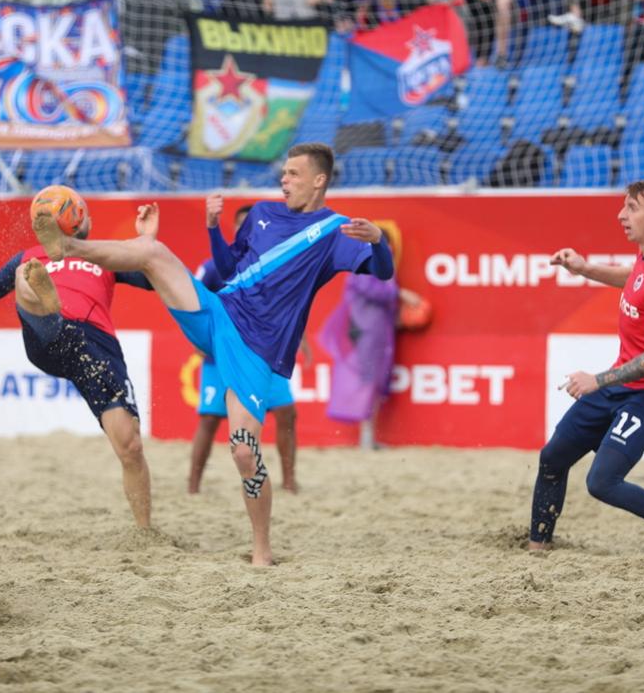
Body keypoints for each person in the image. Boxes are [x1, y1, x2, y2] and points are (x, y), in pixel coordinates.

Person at [31, 142, 393, 566]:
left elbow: (382, 271)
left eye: (293, 173)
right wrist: (212, 227)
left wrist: (379, 241)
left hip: (256, 349)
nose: (284, 179)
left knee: (244, 451)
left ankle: (261, 550)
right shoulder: (262, 213)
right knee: (152, 251)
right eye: (283, 172)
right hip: (219, 312)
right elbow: (227, 266)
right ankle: (68, 247)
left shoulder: (335, 230)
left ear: (319, 180)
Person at [0, 217, 154, 528]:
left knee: (131, 445)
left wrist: (146, 242)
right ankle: (43, 300)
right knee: (24, 276)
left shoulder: (101, 254)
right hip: (50, 334)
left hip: (96, 347)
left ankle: (144, 530)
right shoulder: (29, 256)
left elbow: (152, 280)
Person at [529, 179, 644, 549]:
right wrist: (583, 268)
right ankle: (537, 548)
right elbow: (634, 279)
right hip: (619, 384)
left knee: (602, 482)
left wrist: (597, 379)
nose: (621, 215)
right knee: (552, 457)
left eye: (631, 208)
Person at [189, 200, 304, 494]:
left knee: (287, 413)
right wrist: (198, 337)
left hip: (266, 354)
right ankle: (193, 486)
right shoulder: (213, 266)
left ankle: (289, 482)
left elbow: (289, 306)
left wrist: (298, 337)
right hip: (222, 355)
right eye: (242, 224)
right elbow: (191, 298)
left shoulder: (277, 264)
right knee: (209, 419)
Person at [319, 223, 422, 449]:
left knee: (373, 381)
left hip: (375, 330)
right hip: (365, 331)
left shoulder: (378, 262)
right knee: (367, 381)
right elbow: (373, 290)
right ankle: (366, 439)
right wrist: (401, 294)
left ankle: (368, 437)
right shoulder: (365, 262)